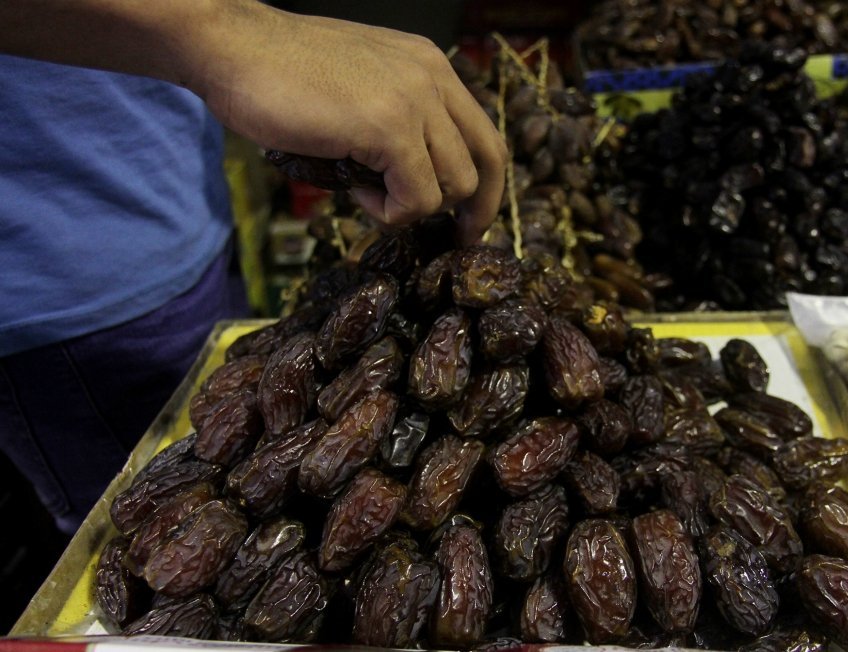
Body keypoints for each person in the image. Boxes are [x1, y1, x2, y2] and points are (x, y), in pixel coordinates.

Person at [0, 0, 507, 533]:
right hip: (64, 282)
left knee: (223, 445)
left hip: (163, 204)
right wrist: (223, 31)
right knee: (135, 528)